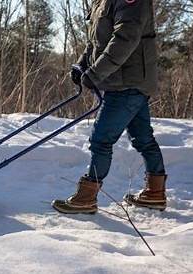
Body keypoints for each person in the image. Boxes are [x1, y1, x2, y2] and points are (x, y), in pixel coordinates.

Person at [52, 0, 167, 214]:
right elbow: (96, 41)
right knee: (143, 138)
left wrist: (96, 73)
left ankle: (86, 198)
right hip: (124, 81)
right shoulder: (102, 2)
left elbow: (125, 39)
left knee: (101, 139)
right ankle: (155, 193)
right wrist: (82, 64)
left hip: (128, 83)